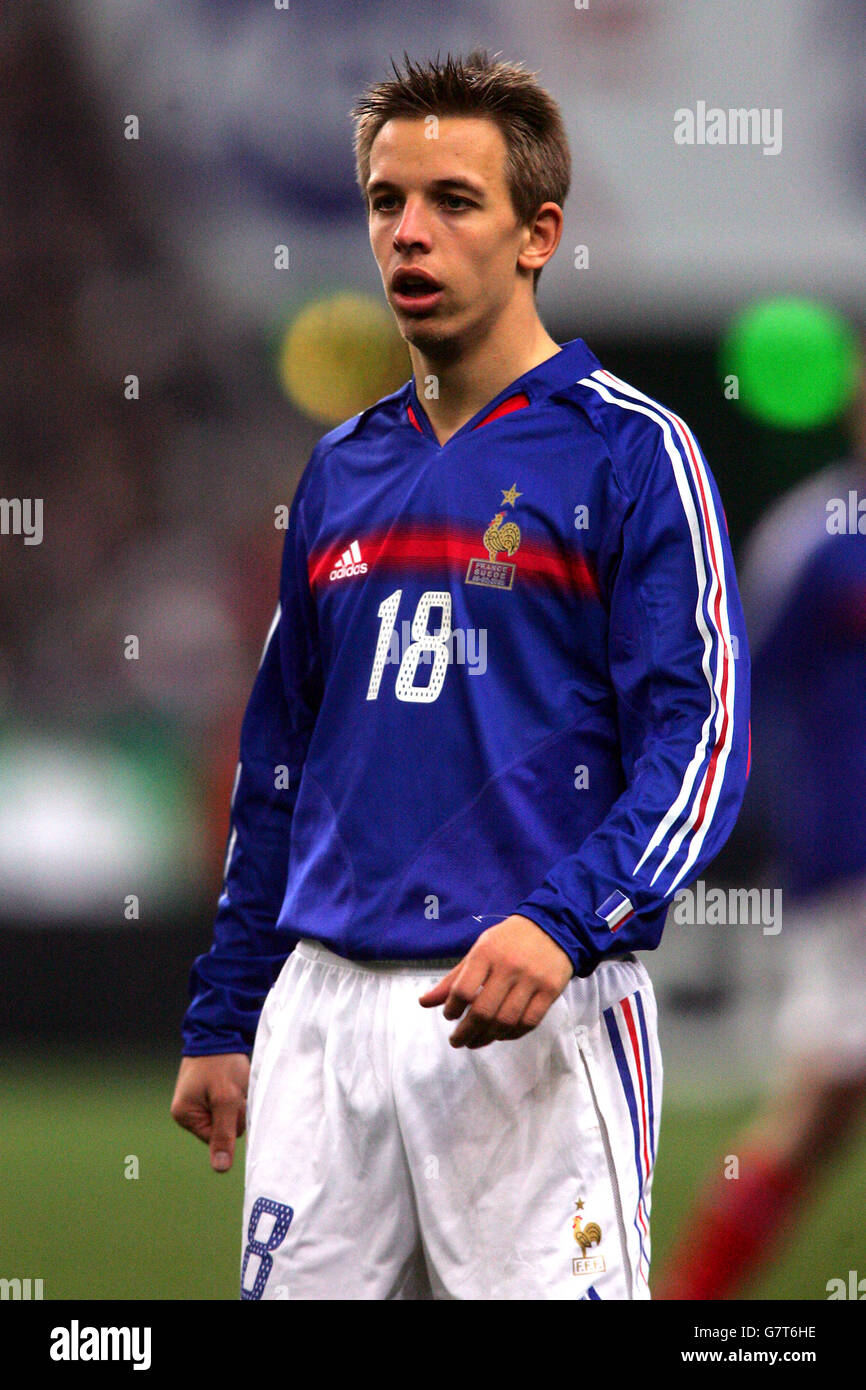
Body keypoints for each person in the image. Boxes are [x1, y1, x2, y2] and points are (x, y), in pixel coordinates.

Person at [170, 48, 751, 1301]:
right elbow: (281, 754)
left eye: (452, 201)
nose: (408, 235)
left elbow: (697, 742)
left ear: (537, 231)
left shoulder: (632, 453)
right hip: (321, 1020)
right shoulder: (340, 470)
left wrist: (566, 920)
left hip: (533, 1008)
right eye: (386, 202)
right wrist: (227, 1008)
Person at [654, 354, 866, 1302]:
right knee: (820, 1095)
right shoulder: (816, 538)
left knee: (821, 1099)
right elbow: (735, 682)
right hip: (854, 865)